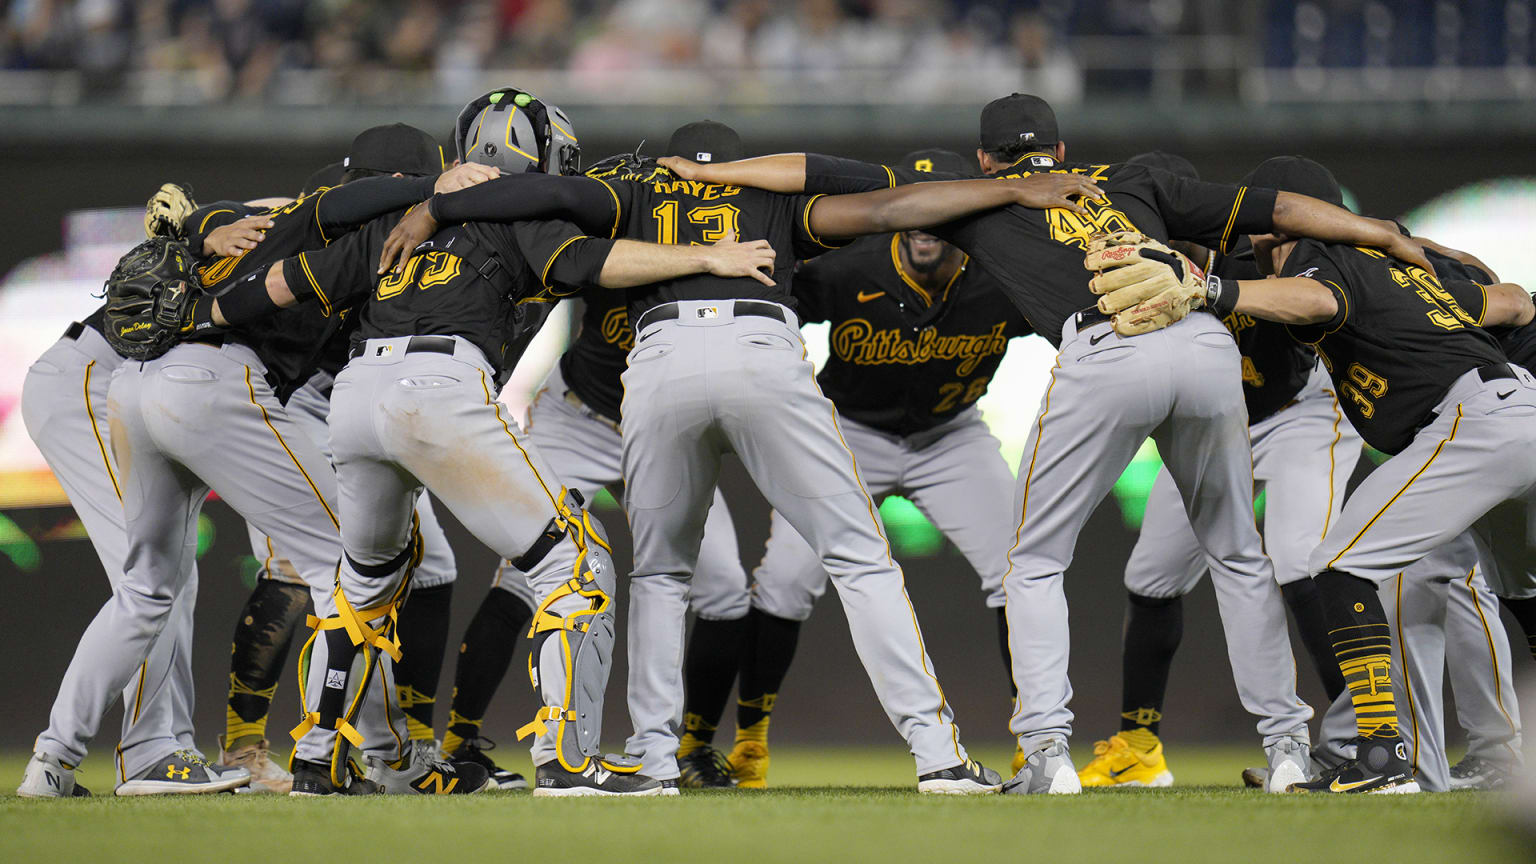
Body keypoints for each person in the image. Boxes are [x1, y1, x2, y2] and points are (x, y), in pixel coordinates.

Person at [655, 92, 1432, 794]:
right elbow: (1280, 211)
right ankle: (1290, 748)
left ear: (988, 158)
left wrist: (710, 173)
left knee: (1032, 562)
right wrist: (1379, 233)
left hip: (1105, 347)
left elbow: (826, 175)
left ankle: (1048, 755)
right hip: (1199, 340)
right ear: (1060, 153)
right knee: (1236, 554)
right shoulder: (1137, 179)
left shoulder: (975, 201)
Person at [380, 135, 1106, 793]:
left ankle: (655, 757)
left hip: (659, 360)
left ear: (671, 163)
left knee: (662, 572)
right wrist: (1014, 188)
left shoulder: (632, 189)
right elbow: (898, 205)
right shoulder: (769, 194)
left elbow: (534, 194)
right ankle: (938, 756)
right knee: (859, 559)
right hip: (760, 350)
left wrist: (433, 209)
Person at [207, 89, 785, 796]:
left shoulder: (395, 220)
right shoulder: (520, 212)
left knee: (360, 587)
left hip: (357, 397)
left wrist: (201, 311)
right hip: (439, 388)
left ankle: (318, 759)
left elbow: (280, 284)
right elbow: (595, 265)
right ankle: (568, 762)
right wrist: (705, 255)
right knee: (577, 565)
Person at [1135, 154, 1536, 792]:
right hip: (1513, 408)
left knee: (1341, 568)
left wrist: (1214, 290)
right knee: (1499, 590)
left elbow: (1314, 295)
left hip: (1470, 420)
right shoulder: (1400, 266)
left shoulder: (1320, 259)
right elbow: (1512, 300)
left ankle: (1381, 759)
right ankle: (1413, 753)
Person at [679, 148, 1033, 788]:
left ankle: (1036, 738)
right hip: (850, 434)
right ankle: (751, 741)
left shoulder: (1003, 277)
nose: (925, 227)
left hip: (952, 437)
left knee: (1020, 571)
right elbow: (770, 308)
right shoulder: (852, 266)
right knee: (784, 579)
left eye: (940, 210)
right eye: (916, 211)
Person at [439, 120, 755, 791]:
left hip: (662, 433)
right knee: (527, 571)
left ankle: (690, 748)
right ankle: (460, 740)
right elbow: (559, 245)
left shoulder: (746, 241)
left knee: (725, 587)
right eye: (686, 182)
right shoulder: (626, 211)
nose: (700, 196)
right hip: (579, 414)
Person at [1075, 151, 1362, 791]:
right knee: (1150, 576)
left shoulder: (1251, 252)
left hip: (1299, 411)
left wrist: (1215, 283)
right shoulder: (1126, 265)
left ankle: (1362, 738)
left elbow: (1308, 301)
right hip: (1218, 425)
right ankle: (1138, 746)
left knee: (1299, 559)